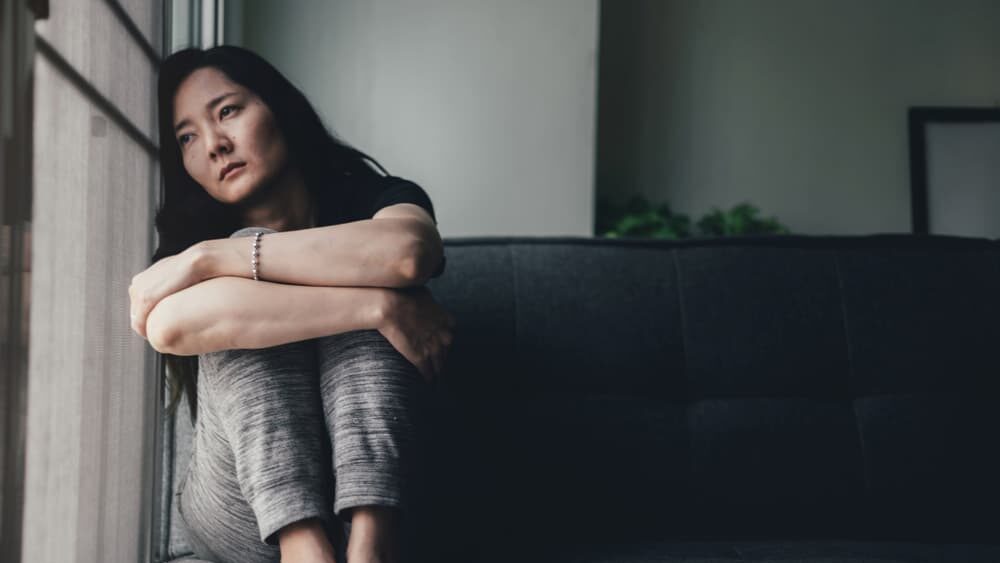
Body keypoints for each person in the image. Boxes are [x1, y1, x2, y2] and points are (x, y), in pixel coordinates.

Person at [128, 45, 454, 563]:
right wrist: (376, 308)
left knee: (367, 264)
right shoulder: (193, 239)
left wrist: (218, 259)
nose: (214, 145)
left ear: (278, 107)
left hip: (390, 491)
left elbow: (409, 254)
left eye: (227, 111)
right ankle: (305, 548)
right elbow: (169, 325)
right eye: (187, 137)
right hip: (239, 509)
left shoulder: (370, 197)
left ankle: (371, 543)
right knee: (323, 293)